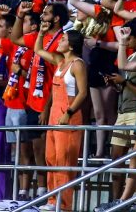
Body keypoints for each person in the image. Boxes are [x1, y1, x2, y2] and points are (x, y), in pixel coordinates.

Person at [34, 25, 89, 212]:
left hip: (68, 118)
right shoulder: (60, 62)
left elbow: (82, 93)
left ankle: (64, 205)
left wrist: (69, 113)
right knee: (51, 159)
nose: (60, 41)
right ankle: (52, 200)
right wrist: (41, 33)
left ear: (71, 45)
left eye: (63, 39)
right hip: (53, 118)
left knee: (64, 162)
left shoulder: (78, 64)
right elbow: (38, 50)